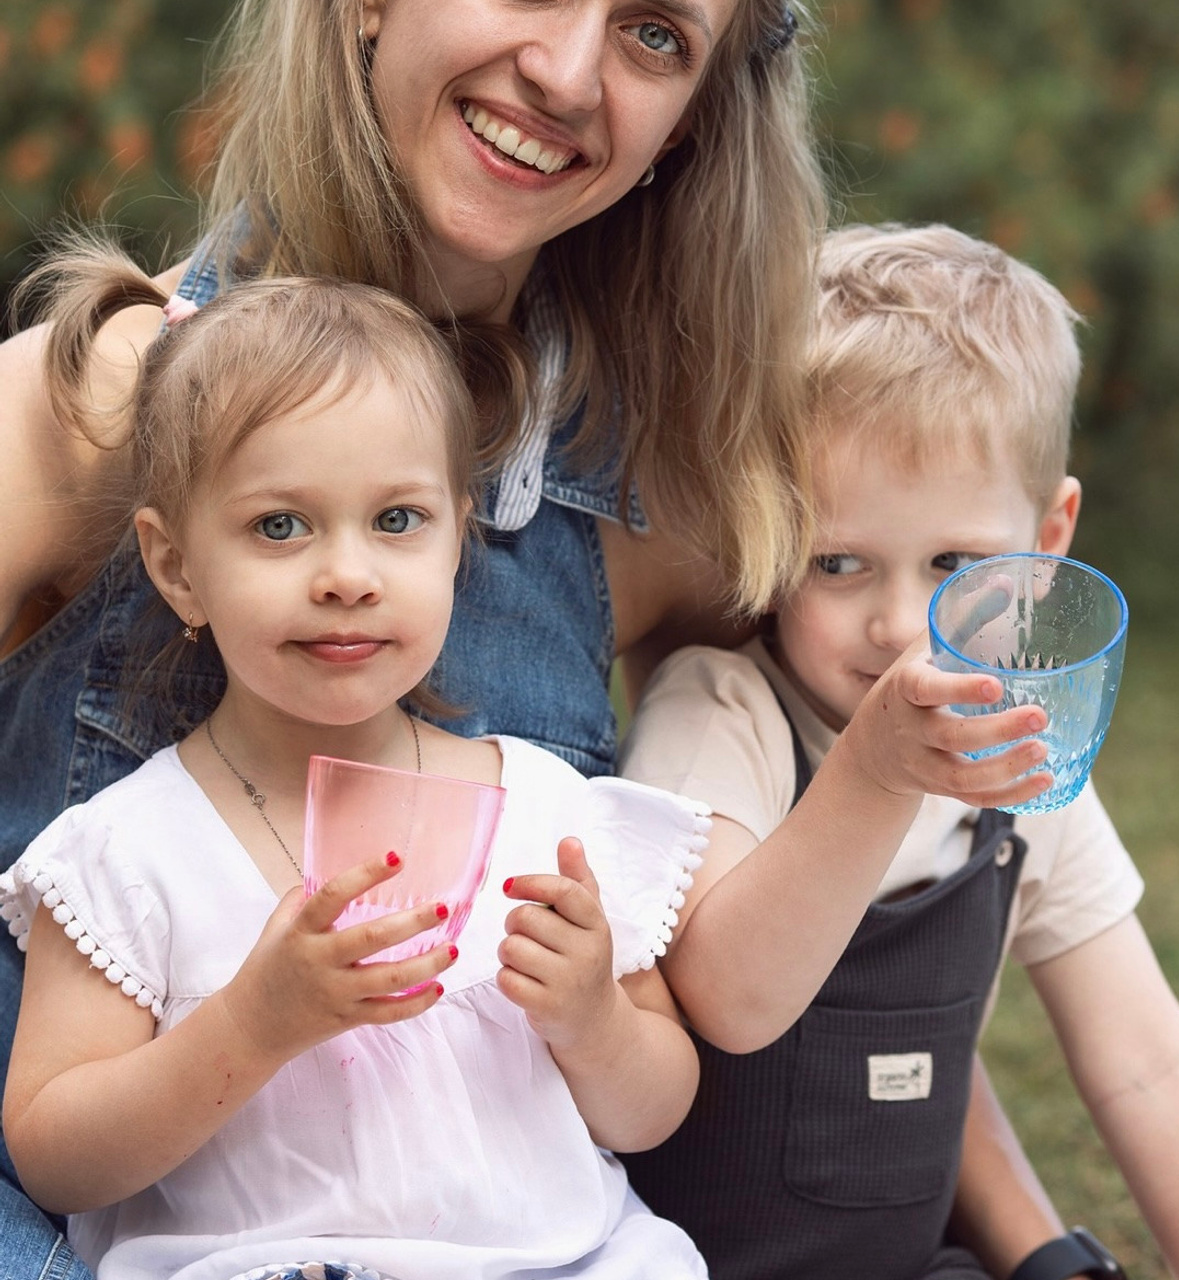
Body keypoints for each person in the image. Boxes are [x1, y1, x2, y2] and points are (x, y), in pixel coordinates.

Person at [0, 1, 1064, 1273]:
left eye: (655, 34)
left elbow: (819, 930)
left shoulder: (660, 505)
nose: (566, 73)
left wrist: (1028, 1238)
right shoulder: (91, 398)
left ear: (692, 121)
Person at [1, 266, 720, 1279]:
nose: (347, 573)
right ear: (176, 568)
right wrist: (253, 1025)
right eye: (280, 525)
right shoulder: (125, 850)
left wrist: (593, 1016)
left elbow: (653, 1115)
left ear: (455, 539)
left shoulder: (545, 811)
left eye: (395, 520)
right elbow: (54, 1156)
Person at [618, 224, 1179, 1280]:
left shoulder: (1029, 763)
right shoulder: (721, 711)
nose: (896, 624)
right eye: (836, 560)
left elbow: (1146, 1063)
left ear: (1045, 541)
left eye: (954, 564)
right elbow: (727, 999)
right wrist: (875, 772)